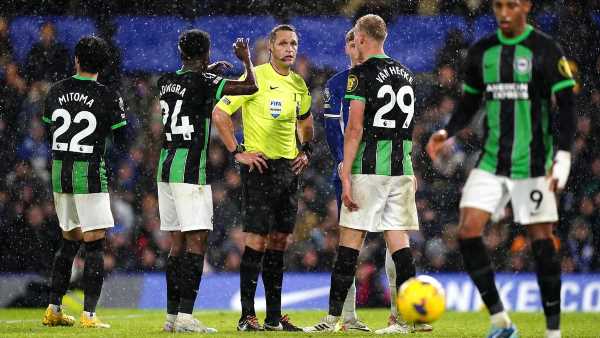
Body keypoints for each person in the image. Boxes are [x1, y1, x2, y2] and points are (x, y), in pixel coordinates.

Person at [426, 1, 575, 338]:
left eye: (510, 5)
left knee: (542, 241)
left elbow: (566, 106)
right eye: (498, 5)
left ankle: (554, 332)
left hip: (534, 164)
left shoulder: (546, 49)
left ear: (525, 5)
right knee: (466, 231)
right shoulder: (482, 51)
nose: (503, 12)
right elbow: (469, 103)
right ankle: (501, 321)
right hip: (492, 161)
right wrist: (446, 131)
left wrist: (562, 156)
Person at [304, 14, 426, 334]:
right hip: (400, 169)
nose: (353, 41)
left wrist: (345, 174)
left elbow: (354, 128)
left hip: (368, 170)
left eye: (356, 36)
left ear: (363, 37)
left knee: (349, 246)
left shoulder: (360, 74)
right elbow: (408, 127)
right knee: (400, 248)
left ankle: (332, 319)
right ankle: (408, 319)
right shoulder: (406, 73)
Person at [212, 24, 313, 332]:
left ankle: (274, 317)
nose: (290, 48)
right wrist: (237, 151)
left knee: (280, 242)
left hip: (288, 172)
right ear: (271, 47)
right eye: (283, 43)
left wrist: (305, 149)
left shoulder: (298, 84)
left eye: (294, 43)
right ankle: (246, 316)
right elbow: (220, 113)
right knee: (256, 241)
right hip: (261, 169)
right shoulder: (254, 77)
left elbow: (306, 123)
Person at [156, 29, 258, 333]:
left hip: (165, 170)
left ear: (181, 52)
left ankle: (171, 317)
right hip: (189, 172)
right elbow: (250, 86)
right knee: (197, 242)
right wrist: (247, 60)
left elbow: (188, 85)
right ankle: (187, 316)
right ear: (207, 52)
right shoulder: (204, 82)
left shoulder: (165, 82)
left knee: (176, 245)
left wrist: (207, 71)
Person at [41, 36, 128, 329]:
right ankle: (89, 315)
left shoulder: (56, 91)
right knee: (94, 246)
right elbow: (121, 140)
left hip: (59, 172)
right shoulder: (107, 95)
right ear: (103, 64)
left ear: (76, 60)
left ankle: (53, 309)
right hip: (88, 173)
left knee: (68, 242)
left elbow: (48, 130)